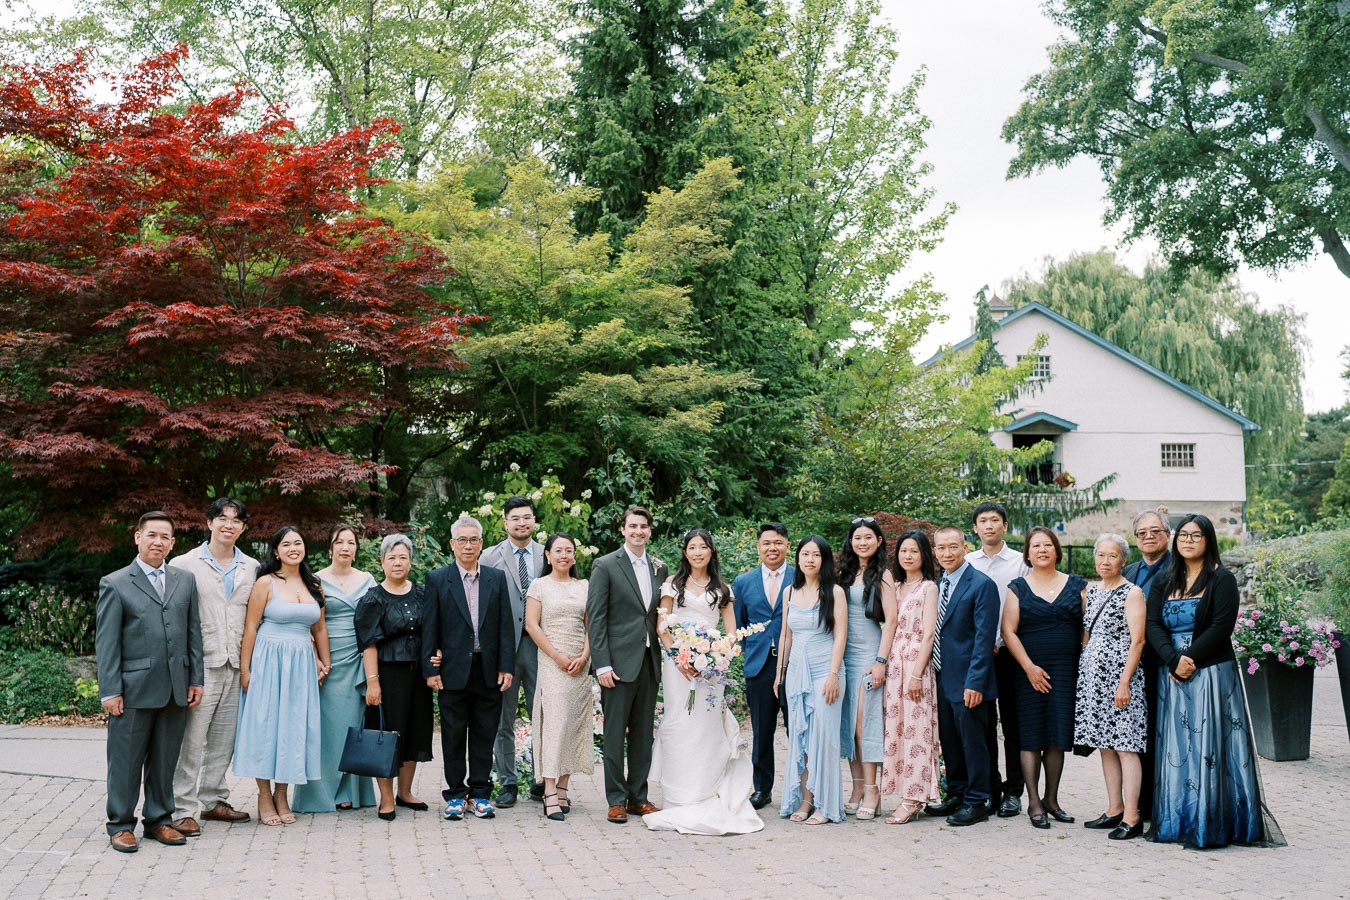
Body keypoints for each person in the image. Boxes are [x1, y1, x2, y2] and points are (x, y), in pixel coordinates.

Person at [1146, 514, 1282, 849]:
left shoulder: (1222, 579)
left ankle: (1212, 822)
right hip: (1172, 674)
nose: (1188, 541)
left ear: (1208, 540)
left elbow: (1221, 627)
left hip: (1210, 673)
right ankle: (1179, 819)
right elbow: (1152, 624)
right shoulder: (1164, 579)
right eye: (1183, 535)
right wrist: (1173, 660)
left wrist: (1189, 660)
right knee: (1179, 748)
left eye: (1196, 535)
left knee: (1209, 746)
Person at [97, 512, 204, 852]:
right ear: (138, 537)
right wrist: (110, 690)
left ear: (172, 543)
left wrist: (196, 679)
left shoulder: (184, 581)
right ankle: (120, 824)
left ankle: (159, 820)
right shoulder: (115, 583)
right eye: (152, 535)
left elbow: (193, 633)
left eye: (165, 537)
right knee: (125, 762)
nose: (158, 542)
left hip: (176, 687)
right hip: (133, 690)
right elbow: (107, 643)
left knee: (164, 760)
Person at [645, 529, 763, 835]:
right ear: (685, 552)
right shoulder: (673, 584)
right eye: (692, 547)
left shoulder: (722, 588)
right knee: (679, 723)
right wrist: (679, 658)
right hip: (678, 667)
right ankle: (678, 795)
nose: (697, 552)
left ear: (712, 551)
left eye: (703, 547)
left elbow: (731, 632)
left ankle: (706, 790)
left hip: (710, 670)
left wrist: (716, 656)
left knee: (706, 727)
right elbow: (662, 627)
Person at [168, 498, 257, 835]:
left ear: (243, 528)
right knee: (191, 741)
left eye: (235, 520)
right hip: (200, 665)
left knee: (224, 739)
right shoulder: (184, 564)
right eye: (221, 518)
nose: (228, 525)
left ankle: (213, 798)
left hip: (236, 662)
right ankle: (183, 807)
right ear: (209, 523)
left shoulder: (252, 567)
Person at [233, 526, 329, 825]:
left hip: (301, 665)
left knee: (293, 727)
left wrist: (325, 662)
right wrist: (246, 669)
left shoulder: (314, 585)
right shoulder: (265, 583)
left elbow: (319, 628)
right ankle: (264, 795)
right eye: (286, 544)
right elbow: (251, 627)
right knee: (265, 726)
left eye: (298, 543)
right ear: (276, 551)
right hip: (268, 660)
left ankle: (282, 794)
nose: (293, 548)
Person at [423, 515, 515, 822]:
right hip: (452, 670)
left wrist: (506, 666)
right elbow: (430, 626)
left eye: (473, 540)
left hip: (487, 670)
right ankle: (455, 795)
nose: (467, 546)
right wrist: (430, 669)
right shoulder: (438, 579)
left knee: (484, 734)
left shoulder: (495, 578)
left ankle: (480, 794)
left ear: (481, 543)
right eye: (461, 540)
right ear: (452, 544)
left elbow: (505, 626)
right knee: (452, 735)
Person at [586, 505, 668, 824]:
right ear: (623, 529)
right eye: (632, 526)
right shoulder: (606, 565)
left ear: (650, 530)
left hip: (648, 661)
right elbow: (596, 618)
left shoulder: (659, 568)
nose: (638, 531)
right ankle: (616, 800)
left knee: (643, 735)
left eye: (643, 526)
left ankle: (639, 798)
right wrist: (602, 664)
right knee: (614, 734)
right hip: (617, 665)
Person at [1001, 526, 1084, 829]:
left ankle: (1052, 799)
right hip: (1028, 672)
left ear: (1057, 550)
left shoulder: (1077, 585)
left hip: (1065, 670)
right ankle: (1034, 802)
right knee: (1031, 735)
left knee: (1057, 736)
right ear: (1028, 553)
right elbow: (1008, 631)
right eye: (1035, 546)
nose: (1042, 550)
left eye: (1047, 545)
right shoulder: (1017, 588)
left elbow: (1087, 627)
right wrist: (1029, 668)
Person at [292, 524, 377, 814]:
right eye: (339, 542)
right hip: (328, 660)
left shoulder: (367, 580)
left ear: (356, 549)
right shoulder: (315, 580)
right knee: (327, 728)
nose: (345, 547)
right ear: (330, 548)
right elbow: (311, 624)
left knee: (354, 726)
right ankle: (319, 794)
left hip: (359, 656)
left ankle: (350, 792)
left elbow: (375, 623)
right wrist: (318, 658)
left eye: (351, 542)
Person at [924, 525, 1000, 826]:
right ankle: (956, 793)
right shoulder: (938, 584)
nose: (947, 553)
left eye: (953, 546)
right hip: (942, 676)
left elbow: (984, 640)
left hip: (970, 680)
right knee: (951, 740)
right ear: (935, 551)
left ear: (965, 548)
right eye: (941, 548)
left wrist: (975, 683)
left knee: (973, 742)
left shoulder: (981, 585)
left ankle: (978, 799)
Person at [355, 534, 435, 820]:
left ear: (411, 561)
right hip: (388, 676)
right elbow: (368, 644)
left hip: (419, 676)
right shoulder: (373, 599)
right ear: (382, 562)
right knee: (388, 735)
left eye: (403, 557)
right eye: (392, 558)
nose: (397, 563)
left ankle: (405, 792)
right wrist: (372, 682)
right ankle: (386, 798)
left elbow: (434, 631)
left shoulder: (424, 594)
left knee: (415, 731)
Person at [1074, 533, 1147, 840]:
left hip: (1120, 678)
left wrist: (1124, 681)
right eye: (1100, 555)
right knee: (1105, 744)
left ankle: (1132, 816)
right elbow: (1086, 634)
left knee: (1126, 746)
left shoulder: (1132, 593)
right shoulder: (1090, 592)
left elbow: (1138, 640)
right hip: (1094, 678)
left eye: (1112, 556)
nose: (1105, 561)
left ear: (1123, 560)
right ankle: (1114, 808)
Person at [776, 535, 849, 825]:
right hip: (796, 672)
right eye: (805, 554)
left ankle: (825, 805)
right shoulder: (789, 592)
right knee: (801, 737)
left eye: (816, 555)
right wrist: (780, 674)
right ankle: (806, 800)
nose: (810, 560)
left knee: (824, 738)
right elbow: (786, 635)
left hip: (824, 670)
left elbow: (841, 635)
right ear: (798, 558)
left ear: (824, 560)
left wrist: (833, 674)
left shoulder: (834, 592)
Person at [966, 501, 1031, 818]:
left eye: (995, 520)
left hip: (1009, 654)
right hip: (977, 656)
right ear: (975, 528)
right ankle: (988, 787)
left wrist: (1002, 640)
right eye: (983, 520)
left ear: (1005, 526)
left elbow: (1025, 607)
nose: (989, 525)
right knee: (982, 724)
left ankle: (1014, 791)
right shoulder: (967, 562)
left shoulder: (1020, 563)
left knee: (1013, 724)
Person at [523, 532, 593, 822]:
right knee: (555, 723)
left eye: (569, 550)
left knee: (573, 725)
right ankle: (549, 790)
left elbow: (591, 625)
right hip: (553, 663)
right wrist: (557, 656)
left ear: (574, 556)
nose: (564, 555)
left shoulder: (584, 586)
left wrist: (584, 656)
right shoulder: (539, 585)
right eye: (559, 550)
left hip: (580, 664)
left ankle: (563, 787)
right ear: (548, 555)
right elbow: (531, 625)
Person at [481, 497, 545, 807]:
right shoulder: (489, 557)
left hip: (540, 647)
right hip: (503, 648)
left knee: (542, 717)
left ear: (534, 521)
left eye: (527, 517)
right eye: (515, 518)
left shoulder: (548, 554)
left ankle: (542, 781)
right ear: (505, 522)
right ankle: (507, 782)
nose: (522, 523)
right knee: (501, 720)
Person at [836, 517, 897, 820]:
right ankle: (857, 786)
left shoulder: (883, 574)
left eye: (868, 538)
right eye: (857, 538)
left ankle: (873, 790)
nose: (862, 543)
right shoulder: (843, 573)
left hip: (869, 653)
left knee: (864, 724)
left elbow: (892, 621)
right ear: (851, 541)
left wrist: (881, 661)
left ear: (879, 541)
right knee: (848, 724)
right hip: (842, 654)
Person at [880, 529, 940, 825]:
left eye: (914, 551)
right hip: (895, 662)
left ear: (923, 555)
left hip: (916, 663)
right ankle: (904, 790)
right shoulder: (895, 586)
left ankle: (914, 797)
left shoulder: (929, 588)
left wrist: (916, 674)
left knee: (918, 729)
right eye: (904, 551)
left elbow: (929, 634)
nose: (908, 556)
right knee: (897, 728)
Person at [732, 523, 794, 810]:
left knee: (797, 728)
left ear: (787, 546)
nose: (772, 548)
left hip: (794, 663)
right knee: (762, 730)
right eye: (767, 543)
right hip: (759, 664)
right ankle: (762, 789)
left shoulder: (801, 575)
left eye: (778, 542)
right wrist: (754, 649)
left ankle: (801, 786)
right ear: (758, 547)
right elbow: (740, 624)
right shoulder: (744, 582)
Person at [1123, 506, 1170, 822]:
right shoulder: (1129, 572)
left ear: (1168, 534)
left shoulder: (1179, 569)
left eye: (1155, 531)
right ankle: (1136, 803)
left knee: (1160, 732)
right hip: (1131, 665)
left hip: (1163, 661)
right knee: (1134, 734)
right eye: (1142, 533)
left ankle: (1158, 802)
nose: (1148, 537)